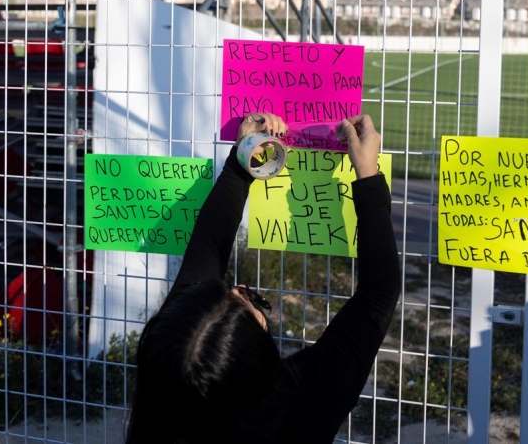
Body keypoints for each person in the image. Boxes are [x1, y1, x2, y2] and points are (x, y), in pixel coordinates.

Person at [125, 112, 401, 443]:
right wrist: (367, 173)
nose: (240, 291)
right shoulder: (303, 398)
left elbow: (207, 250)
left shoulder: (165, 386)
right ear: (256, 352)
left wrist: (244, 157)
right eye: (245, 301)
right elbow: (379, 292)